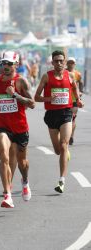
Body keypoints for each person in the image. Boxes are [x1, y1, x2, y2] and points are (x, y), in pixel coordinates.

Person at [0, 51, 35, 208]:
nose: (6, 66)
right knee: (4, 157)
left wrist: (16, 96)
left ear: (16, 65)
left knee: (22, 162)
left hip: (19, 126)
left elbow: (32, 104)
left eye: (9, 64)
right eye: (3, 63)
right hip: (1, 125)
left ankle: (25, 181)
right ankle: (8, 195)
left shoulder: (21, 82)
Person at [34, 50, 84, 193]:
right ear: (52, 62)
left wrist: (79, 101)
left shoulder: (70, 76)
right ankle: (64, 152)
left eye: (62, 61)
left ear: (65, 61)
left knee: (63, 144)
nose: (59, 63)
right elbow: (36, 97)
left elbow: (75, 89)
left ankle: (61, 180)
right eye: (56, 61)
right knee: (57, 150)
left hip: (66, 113)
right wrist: (48, 99)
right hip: (51, 115)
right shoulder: (46, 76)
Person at [66, 57, 84, 145]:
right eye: (69, 62)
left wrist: (81, 92)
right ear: (66, 64)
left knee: (72, 118)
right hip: (65, 99)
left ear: (75, 64)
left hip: (74, 99)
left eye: (72, 63)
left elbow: (81, 83)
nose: (71, 64)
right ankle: (66, 135)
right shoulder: (63, 73)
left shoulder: (77, 74)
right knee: (65, 119)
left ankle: (71, 136)